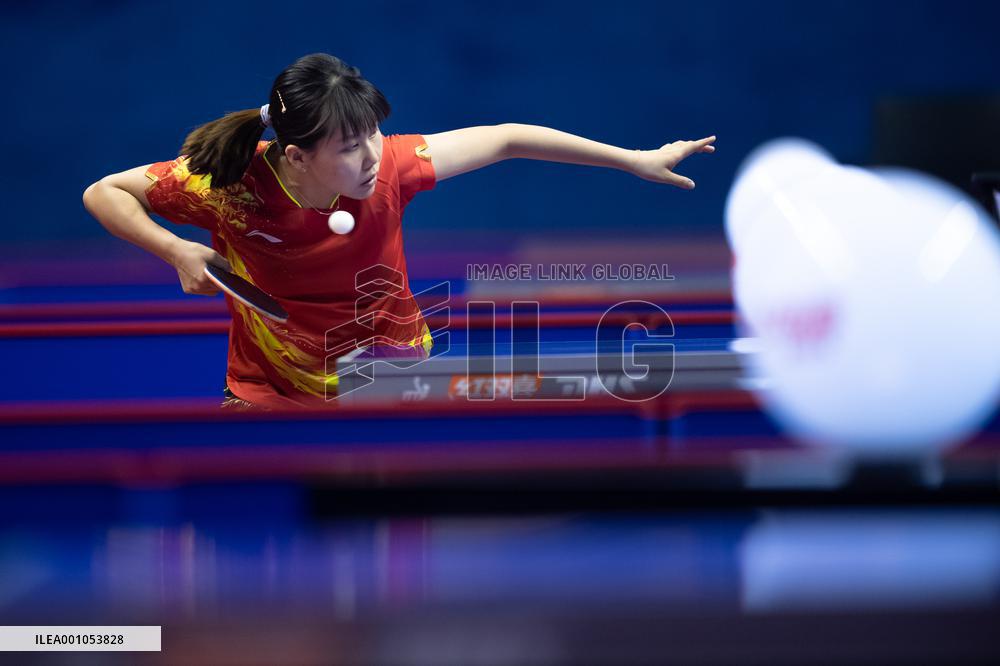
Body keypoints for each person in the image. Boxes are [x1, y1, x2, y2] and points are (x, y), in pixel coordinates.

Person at [83, 53, 716, 409]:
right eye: (350, 146)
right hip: (268, 389)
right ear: (297, 155)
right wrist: (174, 249)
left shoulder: (391, 166)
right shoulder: (229, 187)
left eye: (374, 136)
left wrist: (633, 158)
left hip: (388, 380)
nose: (372, 156)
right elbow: (104, 191)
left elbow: (506, 139)